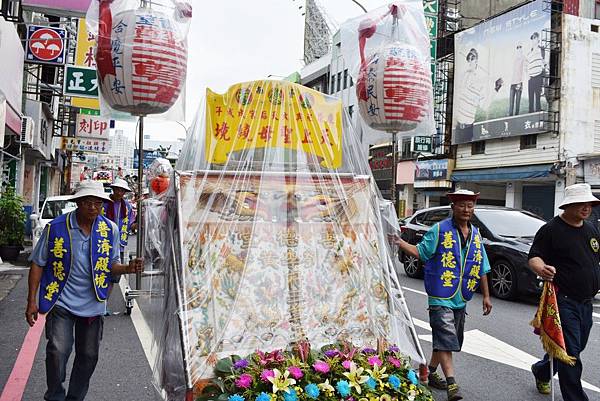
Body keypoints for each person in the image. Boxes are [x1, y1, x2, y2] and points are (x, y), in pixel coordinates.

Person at [25, 180, 144, 401]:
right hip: (61, 301)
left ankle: (75, 398)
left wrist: (127, 268)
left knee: (88, 356)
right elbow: (38, 263)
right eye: (88, 202)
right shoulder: (55, 228)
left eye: (97, 203)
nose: (93, 207)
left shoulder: (110, 229)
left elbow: (112, 265)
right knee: (57, 352)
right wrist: (31, 301)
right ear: (78, 203)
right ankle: (55, 395)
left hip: (94, 303)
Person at [392, 189, 492, 401]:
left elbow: (482, 266)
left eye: (470, 205)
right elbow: (421, 252)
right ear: (453, 207)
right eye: (462, 205)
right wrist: (400, 243)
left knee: (447, 338)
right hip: (440, 295)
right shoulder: (439, 230)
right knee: (446, 337)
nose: (466, 209)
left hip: (460, 297)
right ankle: (452, 384)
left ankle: (429, 371)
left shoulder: (476, 234)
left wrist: (486, 296)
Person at [528, 183, 600, 401]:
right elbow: (534, 257)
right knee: (570, 354)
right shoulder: (551, 229)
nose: (586, 208)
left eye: (588, 203)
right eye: (580, 203)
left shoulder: (591, 229)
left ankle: (541, 370)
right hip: (562, 300)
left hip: (586, 302)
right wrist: (542, 268)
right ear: (568, 205)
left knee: (574, 347)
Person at [453, 49, 500, 144]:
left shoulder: (480, 83)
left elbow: (484, 106)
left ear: (477, 60)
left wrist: (496, 89)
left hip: (468, 128)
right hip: (457, 127)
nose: (470, 61)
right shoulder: (462, 76)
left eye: (472, 58)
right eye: (468, 58)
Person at [527, 32, 546, 113]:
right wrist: (527, 75)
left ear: (538, 39)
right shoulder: (529, 52)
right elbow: (527, 64)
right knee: (531, 97)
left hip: (538, 75)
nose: (533, 40)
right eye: (532, 38)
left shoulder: (541, 49)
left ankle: (538, 111)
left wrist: (544, 69)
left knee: (537, 96)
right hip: (531, 77)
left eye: (535, 38)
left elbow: (544, 61)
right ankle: (530, 112)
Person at [509, 44, 527, 116]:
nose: (519, 49)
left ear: (522, 49)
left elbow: (523, 71)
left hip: (519, 83)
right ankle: (510, 116)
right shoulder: (514, 59)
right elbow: (512, 71)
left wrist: (520, 82)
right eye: (518, 48)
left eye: (520, 48)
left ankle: (516, 116)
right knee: (511, 102)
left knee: (517, 102)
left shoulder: (523, 58)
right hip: (512, 83)